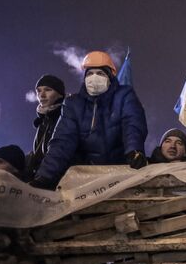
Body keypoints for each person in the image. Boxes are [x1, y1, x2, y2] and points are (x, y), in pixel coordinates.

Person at [30, 51, 148, 189]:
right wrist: (44, 177)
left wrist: (134, 150)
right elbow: (62, 142)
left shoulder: (124, 96)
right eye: (90, 73)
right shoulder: (73, 104)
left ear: (110, 77)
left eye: (100, 73)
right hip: (85, 177)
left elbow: (132, 124)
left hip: (120, 172)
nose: (94, 77)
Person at [25, 74, 66, 178]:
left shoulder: (65, 117)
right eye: (38, 91)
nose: (42, 95)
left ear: (60, 94)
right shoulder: (44, 120)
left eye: (48, 90)